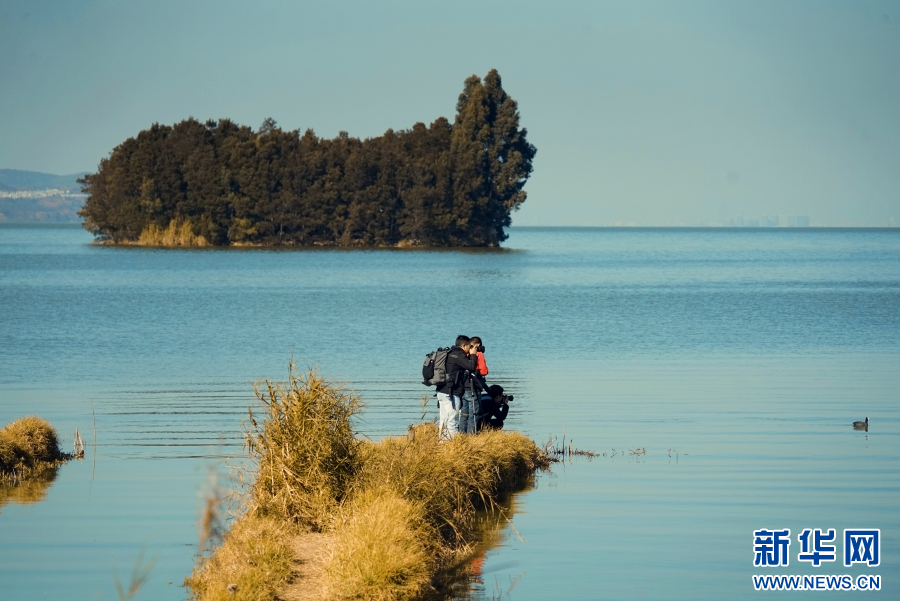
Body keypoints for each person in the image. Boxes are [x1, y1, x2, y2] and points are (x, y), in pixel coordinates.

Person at [436, 335, 478, 439]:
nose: (470, 349)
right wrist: (473, 355)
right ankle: (453, 445)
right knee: (453, 421)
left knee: (444, 420)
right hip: (451, 393)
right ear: (463, 346)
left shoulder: (449, 353)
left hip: (441, 391)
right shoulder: (458, 355)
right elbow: (471, 367)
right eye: (469, 346)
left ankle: (442, 443)